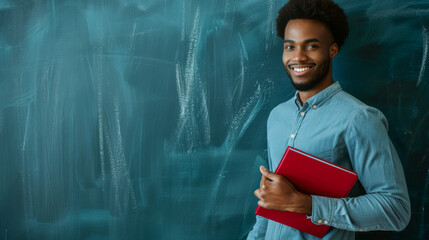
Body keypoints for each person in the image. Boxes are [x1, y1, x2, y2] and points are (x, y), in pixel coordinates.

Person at [246, 0, 411, 239]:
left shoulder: (359, 119)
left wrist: (306, 204)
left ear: (332, 50)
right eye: (290, 47)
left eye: (311, 46)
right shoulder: (277, 117)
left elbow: (395, 209)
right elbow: (272, 200)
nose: (298, 57)